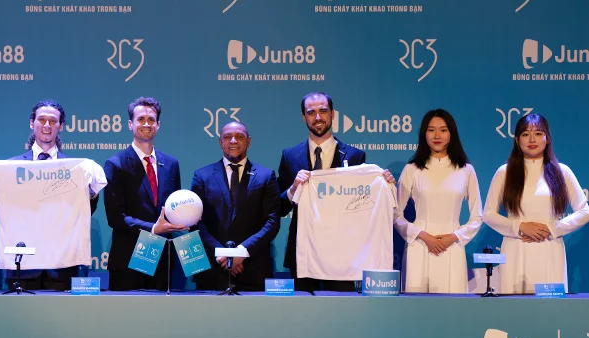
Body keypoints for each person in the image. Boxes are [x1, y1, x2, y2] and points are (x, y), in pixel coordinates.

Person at [0, 99, 99, 290]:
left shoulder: (76, 169)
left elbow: (83, 212)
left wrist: (90, 192)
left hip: (62, 266)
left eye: (53, 121)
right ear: (32, 123)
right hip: (23, 267)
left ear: (61, 126)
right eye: (41, 119)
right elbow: (4, 214)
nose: (47, 125)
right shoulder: (12, 167)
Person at [277, 91, 394, 292]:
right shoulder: (290, 156)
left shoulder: (355, 156)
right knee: (302, 309)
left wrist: (384, 183)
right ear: (304, 117)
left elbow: (363, 205)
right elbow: (279, 207)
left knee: (342, 308)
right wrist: (293, 189)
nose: (318, 117)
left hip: (343, 254)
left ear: (332, 114)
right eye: (311, 112)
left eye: (323, 111)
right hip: (303, 252)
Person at [484, 113, 589, 294]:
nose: (532, 139)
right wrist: (520, 226)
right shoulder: (504, 172)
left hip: (549, 248)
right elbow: (488, 214)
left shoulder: (562, 172)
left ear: (547, 138)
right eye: (525, 134)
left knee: (550, 309)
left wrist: (551, 229)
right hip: (515, 249)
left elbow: (584, 211)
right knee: (514, 307)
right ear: (517, 140)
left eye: (538, 133)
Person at [394, 109, 483, 293]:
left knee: (453, 306)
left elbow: (477, 217)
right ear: (424, 134)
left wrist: (454, 237)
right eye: (431, 130)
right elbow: (395, 214)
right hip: (419, 246)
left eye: (443, 130)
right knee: (417, 306)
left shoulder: (466, 170)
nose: (437, 135)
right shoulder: (412, 169)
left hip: (452, 246)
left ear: (451, 134)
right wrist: (422, 235)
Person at [104, 97, 184, 290]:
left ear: (158, 125)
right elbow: (115, 217)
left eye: (151, 120)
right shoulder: (115, 164)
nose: (146, 124)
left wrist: (186, 217)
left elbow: (174, 207)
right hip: (128, 261)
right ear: (130, 124)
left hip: (162, 262)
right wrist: (153, 228)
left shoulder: (171, 164)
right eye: (140, 119)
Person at [190, 121, 280, 291]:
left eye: (239, 136)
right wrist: (222, 254)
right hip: (213, 270)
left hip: (253, 269)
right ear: (220, 142)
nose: (233, 141)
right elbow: (195, 222)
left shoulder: (266, 176)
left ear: (248, 141)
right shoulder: (202, 176)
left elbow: (272, 222)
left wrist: (242, 252)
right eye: (227, 137)